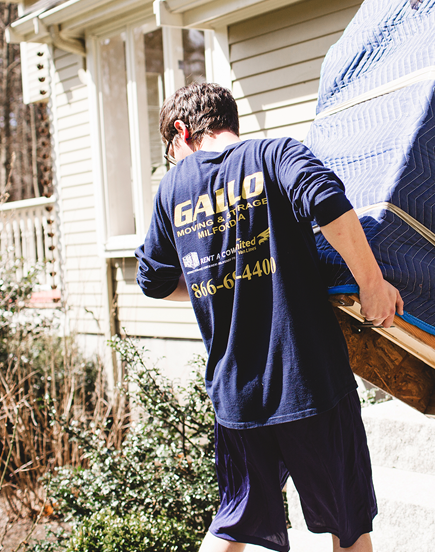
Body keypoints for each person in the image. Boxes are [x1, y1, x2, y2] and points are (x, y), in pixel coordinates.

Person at [135, 82, 403, 552]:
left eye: (170, 150)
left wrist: (209, 283)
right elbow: (328, 202)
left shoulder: (172, 189)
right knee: (349, 524)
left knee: (231, 523)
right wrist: (372, 284)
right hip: (310, 384)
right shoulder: (275, 156)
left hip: (236, 396)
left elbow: (153, 281)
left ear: (182, 130)